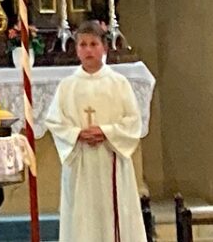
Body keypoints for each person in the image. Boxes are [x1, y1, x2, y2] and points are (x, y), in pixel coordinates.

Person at [45, 21, 147, 242]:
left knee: (113, 213)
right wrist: (77, 134)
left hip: (110, 158)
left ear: (104, 48)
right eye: (82, 44)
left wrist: (106, 132)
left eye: (93, 44)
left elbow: (132, 121)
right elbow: (54, 121)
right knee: (82, 219)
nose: (88, 50)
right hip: (80, 162)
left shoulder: (118, 83)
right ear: (76, 49)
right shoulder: (68, 86)